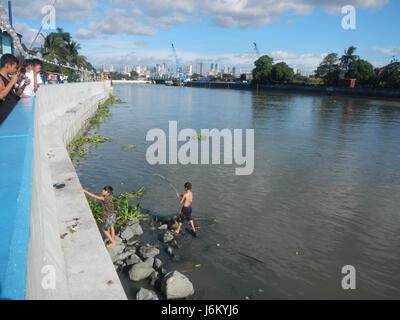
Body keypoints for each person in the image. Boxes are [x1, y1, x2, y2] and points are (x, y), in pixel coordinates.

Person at [0, 54, 29, 124]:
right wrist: (12, 82)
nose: (16, 70)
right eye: (15, 67)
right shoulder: (0, 78)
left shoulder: (9, 78)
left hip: (13, 112)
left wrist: (24, 85)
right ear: (7, 65)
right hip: (5, 117)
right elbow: (1, 96)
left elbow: (17, 94)